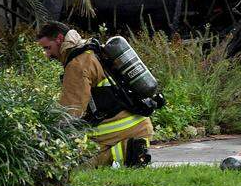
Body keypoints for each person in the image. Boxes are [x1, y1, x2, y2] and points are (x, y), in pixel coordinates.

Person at [36, 22, 153, 167]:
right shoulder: (90, 50)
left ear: (60, 39)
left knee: (77, 165)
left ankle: (131, 151)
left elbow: (70, 112)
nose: (47, 55)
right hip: (138, 124)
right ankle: (133, 149)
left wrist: (50, 135)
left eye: (48, 48)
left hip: (123, 129)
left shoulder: (77, 65)